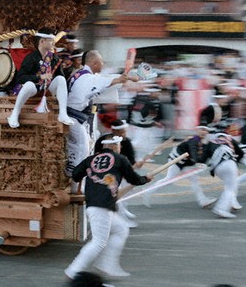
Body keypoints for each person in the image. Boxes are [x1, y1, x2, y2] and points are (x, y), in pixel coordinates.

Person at [64, 134, 153, 280]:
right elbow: (134, 179)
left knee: (121, 229)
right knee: (98, 242)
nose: (120, 147)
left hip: (95, 204)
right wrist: (146, 179)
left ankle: (106, 265)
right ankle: (73, 270)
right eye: (118, 144)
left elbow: (75, 175)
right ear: (113, 145)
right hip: (102, 206)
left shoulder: (90, 159)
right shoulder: (120, 159)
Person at [66, 49, 137, 175]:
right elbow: (105, 81)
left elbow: (104, 80)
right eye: (101, 62)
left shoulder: (82, 74)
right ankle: (74, 173)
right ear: (95, 63)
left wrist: (127, 78)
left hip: (77, 116)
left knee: (82, 146)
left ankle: (74, 172)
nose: (103, 64)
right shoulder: (87, 78)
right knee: (83, 147)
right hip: (74, 116)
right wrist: (120, 80)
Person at [7, 30, 73, 128]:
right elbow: (20, 78)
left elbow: (60, 76)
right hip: (34, 88)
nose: (53, 43)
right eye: (51, 40)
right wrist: (39, 77)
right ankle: (15, 114)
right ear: (42, 41)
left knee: (60, 79)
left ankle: (63, 114)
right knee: (29, 85)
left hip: (47, 88)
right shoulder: (31, 58)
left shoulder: (54, 58)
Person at [143, 126, 217, 209]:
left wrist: (202, 162)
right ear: (197, 130)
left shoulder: (203, 142)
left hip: (187, 164)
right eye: (202, 129)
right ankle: (148, 192)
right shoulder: (193, 140)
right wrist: (198, 163)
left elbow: (202, 155)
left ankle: (202, 201)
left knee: (195, 181)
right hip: (176, 161)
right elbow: (193, 151)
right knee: (168, 180)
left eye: (206, 130)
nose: (204, 132)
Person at [205, 132, 245, 218]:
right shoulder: (230, 140)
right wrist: (236, 160)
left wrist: (200, 162)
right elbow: (241, 153)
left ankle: (231, 203)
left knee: (228, 186)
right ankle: (221, 208)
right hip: (229, 164)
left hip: (217, 169)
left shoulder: (211, 142)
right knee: (231, 188)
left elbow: (205, 156)